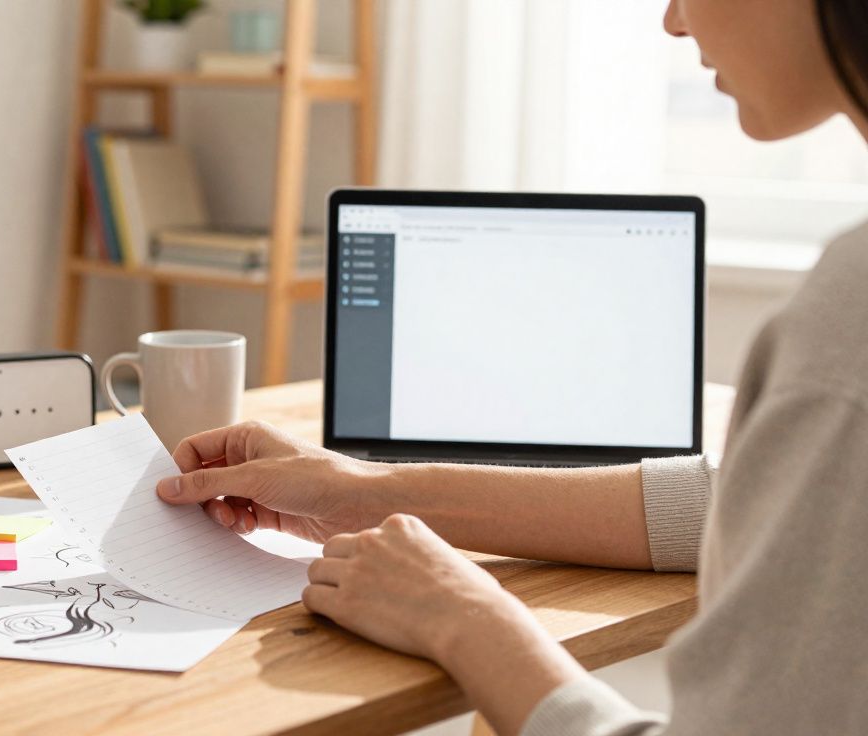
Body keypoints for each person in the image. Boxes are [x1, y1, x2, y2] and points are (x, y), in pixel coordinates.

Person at [155, 0, 868, 733]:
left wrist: (466, 617)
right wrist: (359, 490)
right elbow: (720, 505)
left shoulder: (851, 316)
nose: (672, 22)